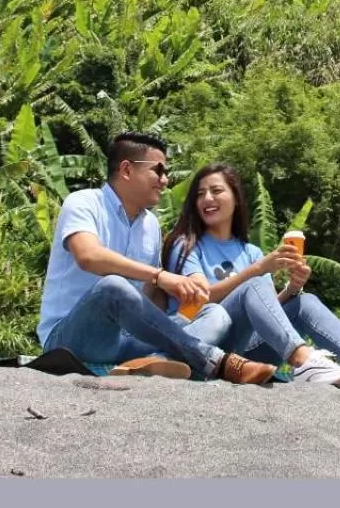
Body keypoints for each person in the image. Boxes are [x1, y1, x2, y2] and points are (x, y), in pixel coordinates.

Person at [37, 132, 275, 384]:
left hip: (126, 341)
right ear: (127, 170)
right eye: (158, 171)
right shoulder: (83, 202)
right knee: (113, 286)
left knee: (216, 314)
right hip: (70, 340)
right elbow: (88, 256)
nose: (165, 180)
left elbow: (149, 298)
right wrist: (161, 276)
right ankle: (216, 361)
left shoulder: (150, 225)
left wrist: (185, 301)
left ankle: (154, 361)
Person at [160, 163, 340, 390]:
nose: (207, 199)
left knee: (305, 301)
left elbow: (265, 308)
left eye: (216, 191)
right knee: (252, 283)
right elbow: (199, 300)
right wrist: (256, 270)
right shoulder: (186, 244)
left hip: (248, 350)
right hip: (205, 343)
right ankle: (303, 359)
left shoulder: (251, 251)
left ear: (235, 199)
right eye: (200, 194)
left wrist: (291, 290)